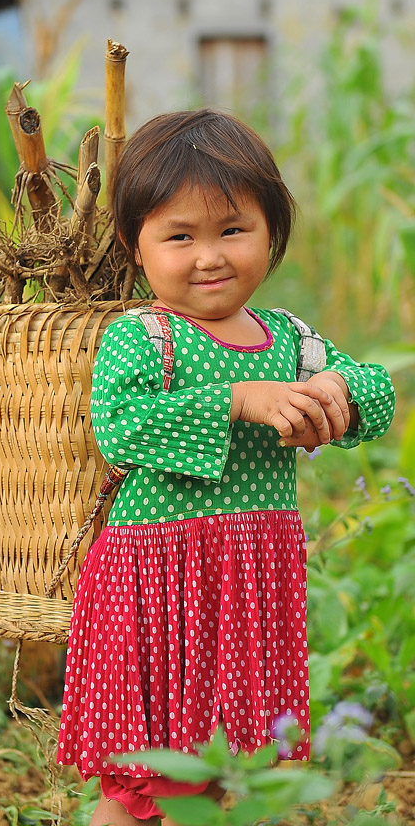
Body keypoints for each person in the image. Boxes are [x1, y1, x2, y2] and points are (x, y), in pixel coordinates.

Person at [55, 110, 395, 826]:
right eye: (179, 236)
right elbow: (119, 427)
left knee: (203, 769)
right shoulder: (144, 337)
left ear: (271, 232)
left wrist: (338, 388)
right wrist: (239, 400)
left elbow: (378, 389)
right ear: (135, 244)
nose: (208, 255)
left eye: (231, 230)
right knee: (160, 775)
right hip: (159, 589)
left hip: (247, 586)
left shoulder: (290, 340)